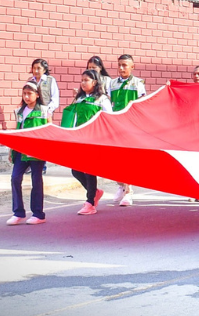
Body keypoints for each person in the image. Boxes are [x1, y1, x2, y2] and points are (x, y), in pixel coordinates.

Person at [62, 69, 113, 215]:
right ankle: (95, 192)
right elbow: (74, 119)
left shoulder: (102, 99)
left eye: (86, 80)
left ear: (95, 82)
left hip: (94, 140)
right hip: (79, 139)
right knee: (75, 170)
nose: (83, 82)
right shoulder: (79, 99)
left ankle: (90, 203)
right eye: (82, 80)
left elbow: (110, 120)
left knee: (89, 169)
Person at [7, 82, 49, 225]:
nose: (26, 96)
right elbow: (16, 130)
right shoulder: (19, 111)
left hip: (37, 151)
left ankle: (38, 214)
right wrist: (11, 149)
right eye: (24, 93)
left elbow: (50, 130)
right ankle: (18, 212)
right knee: (15, 178)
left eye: (29, 93)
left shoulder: (44, 110)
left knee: (36, 180)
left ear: (37, 94)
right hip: (20, 151)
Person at [107, 54, 146, 206]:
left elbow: (142, 104)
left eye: (125, 65)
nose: (122, 68)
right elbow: (108, 102)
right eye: (120, 65)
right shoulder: (112, 83)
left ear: (132, 66)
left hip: (131, 125)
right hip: (116, 124)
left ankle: (128, 191)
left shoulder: (138, 84)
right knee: (115, 158)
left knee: (127, 158)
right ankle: (121, 185)